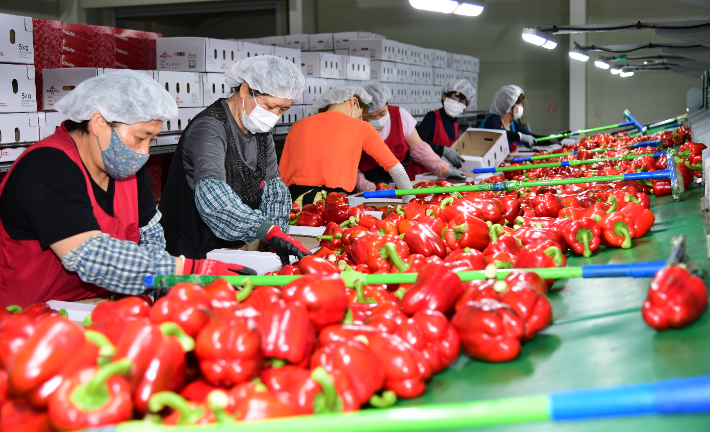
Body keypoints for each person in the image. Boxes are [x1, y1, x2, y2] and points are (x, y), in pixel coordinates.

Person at [0, 71, 254, 307]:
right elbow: (90, 255)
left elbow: (150, 234)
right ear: (99, 122)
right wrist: (187, 269)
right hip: (31, 316)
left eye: (151, 140)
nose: (144, 152)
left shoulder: (126, 166)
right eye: (139, 137)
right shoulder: (47, 167)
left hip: (99, 308)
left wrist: (159, 284)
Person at [160, 56, 311, 264]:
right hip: (193, 249)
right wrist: (266, 230)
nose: (274, 116)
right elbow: (215, 200)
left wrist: (277, 235)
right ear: (245, 89)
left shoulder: (260, 130)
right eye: (270, 106)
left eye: (283, 110)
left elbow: (273, 187)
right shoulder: (209, 129)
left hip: (231, 247)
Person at [279, 84, 414, 203]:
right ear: (354, 102)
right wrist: (409, 198)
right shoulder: (361, 127)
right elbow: (395, 168)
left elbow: (282, 174)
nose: (360, 118)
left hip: (295, 200)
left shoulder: (298, 126)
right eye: (361, 114)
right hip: (333, 202)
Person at [356, 83, 466, 191]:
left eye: (382, 113)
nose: (378, 119)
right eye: (371, 116)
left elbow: (419, 148)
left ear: (387, 104)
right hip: (368, 180)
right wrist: (365, 186)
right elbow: (351, 164)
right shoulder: (357, 124)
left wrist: (444, 169)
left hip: (397, 178)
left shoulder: (400, 116)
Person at [413, 79, 477, 177]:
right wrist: (442, 150)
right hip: (422, 173)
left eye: (461, 101)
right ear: (444, 97)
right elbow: (417, 141)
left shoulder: (455, 125)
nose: (456, 103)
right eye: (453, 98)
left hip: (440, 174)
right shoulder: (432, 117)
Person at [480, 85, 540, 151]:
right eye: (520, 105)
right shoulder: (494, 118)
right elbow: (495, 131)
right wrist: (520, 137)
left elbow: (531, 137)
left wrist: (550, 139)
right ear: (510, 106)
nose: (521, 108)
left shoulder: (512, 124)